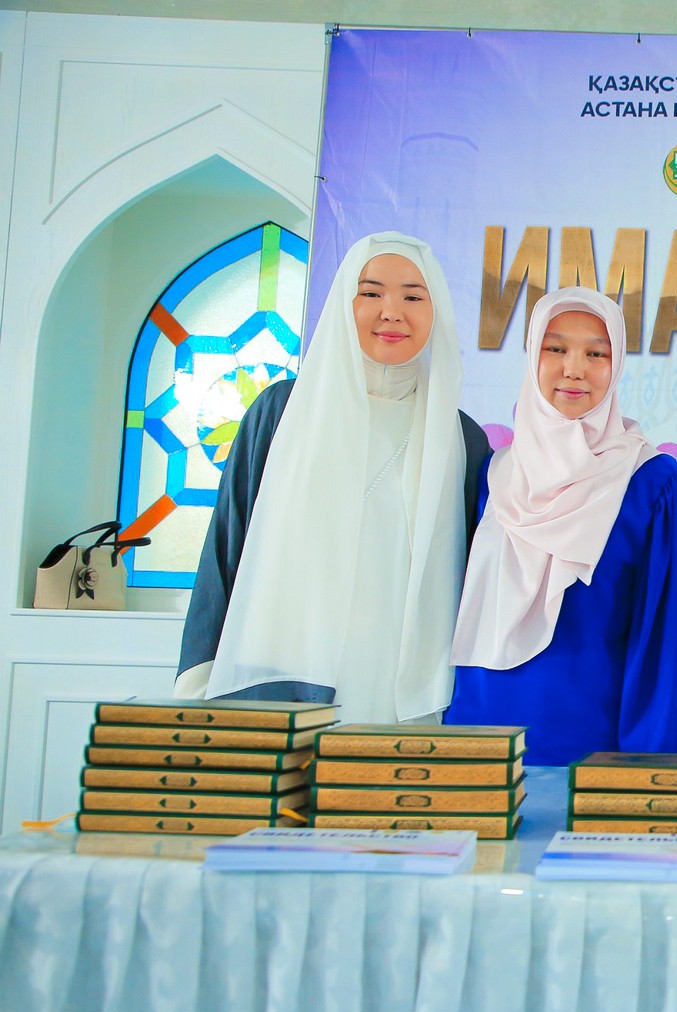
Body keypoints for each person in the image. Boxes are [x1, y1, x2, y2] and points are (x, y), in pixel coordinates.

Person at [177, 232, 491, 724]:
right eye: (371, 293)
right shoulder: (282, 411)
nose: (392, 312)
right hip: (281, 677)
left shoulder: (462, 439)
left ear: (438, 313)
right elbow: (227, 543)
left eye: (413, 297)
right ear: (344, 303)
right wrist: (197, 673)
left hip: (403, 690)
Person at [447, 287, 677, 765]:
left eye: (596, 353)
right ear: (532, 356)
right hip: (479, 748)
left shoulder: (651, 485)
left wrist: (649, 774)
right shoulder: (492, 475)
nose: (574, 369)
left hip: (594, 759)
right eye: (555, 349)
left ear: (618, 365)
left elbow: (666, 651)